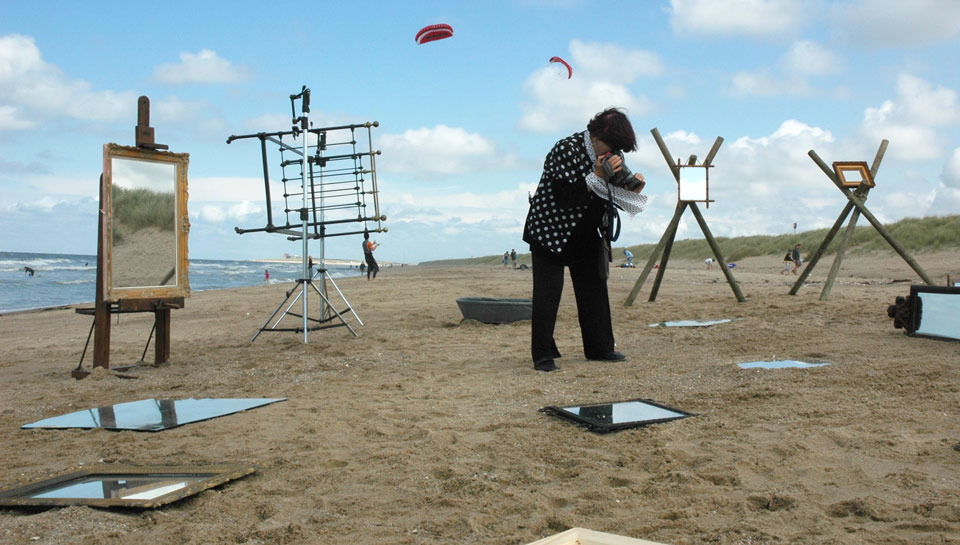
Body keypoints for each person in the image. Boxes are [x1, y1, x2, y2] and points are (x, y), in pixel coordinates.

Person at [522, 107, 647, 372]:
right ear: (596, 135)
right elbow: (564, 197)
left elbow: (616, 195)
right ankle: (543, 355)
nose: (612, 152)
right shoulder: (566, 148)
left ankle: (600, 348)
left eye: (617, 148)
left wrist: (632, 185)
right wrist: (597, 176)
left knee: (594, 290)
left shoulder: (612, 155)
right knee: (548, 294)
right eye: (611, 146)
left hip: (586, 231)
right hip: (549, 231)